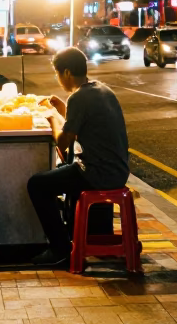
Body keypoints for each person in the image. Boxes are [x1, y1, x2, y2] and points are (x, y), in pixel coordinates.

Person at [27, 46, 129, 267]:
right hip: (118, 170)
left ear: (66, 73)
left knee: (37, 185)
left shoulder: (79, 97)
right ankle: (71, 239)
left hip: (98, 173)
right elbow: (84, 124)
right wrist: (62, 108)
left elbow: (63, 143)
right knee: (65, 175)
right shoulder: (101, 90)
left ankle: (60, 249)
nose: (58, 79)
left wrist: (52, 118)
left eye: (57, 74)